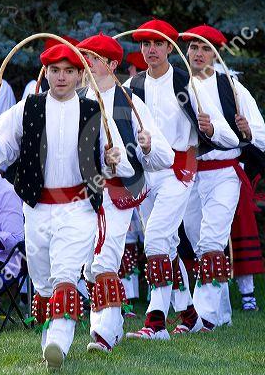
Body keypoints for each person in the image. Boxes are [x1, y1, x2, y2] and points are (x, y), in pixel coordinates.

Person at [0, 43, 134, 370]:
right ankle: (52, 336)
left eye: (68, 71)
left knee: (65, 273)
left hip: (78, 208)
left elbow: (116, 156)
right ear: (46, 73)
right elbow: (0, 148)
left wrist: (110, 161)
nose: (61, 77)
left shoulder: (93, 110)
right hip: (36, 209)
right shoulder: (27, 108)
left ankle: (59, 343)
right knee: (44, 281)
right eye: (55, 70)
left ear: (80, 75)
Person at [124, 19, 240, 340]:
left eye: (157, 44)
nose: (150, 50)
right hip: (149, 173)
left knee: (156, 240)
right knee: (169, 245)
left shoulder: (187, 83)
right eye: (145, 44)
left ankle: (156, 323)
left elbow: (226, 132)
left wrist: (211, 128)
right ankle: (190, 314)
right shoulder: (134, 87)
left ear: (169, 47)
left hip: (181, 169)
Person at [76, 33, 174, 352]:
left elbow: (164, 156)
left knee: (106, 254)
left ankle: (102, 332)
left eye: (93, 57)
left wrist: (146, 147)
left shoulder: (130, 100)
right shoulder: (74, 98)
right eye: (85, 56)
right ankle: (115, 324)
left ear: (112, 64)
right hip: (83, 191)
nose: (86, 62)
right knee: (90, 261)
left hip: (119, 190)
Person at [181, 24, 265, 328]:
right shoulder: (179, 86)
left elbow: (260, 134)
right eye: (193, 47)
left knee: (212, 242)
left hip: (224, 173)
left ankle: (203, 317)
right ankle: (222, 316)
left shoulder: (231, 86)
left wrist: (245, 131)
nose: (199, 53)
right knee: (197, 243)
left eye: (205, 48)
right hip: (190, 176)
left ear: (216, 52)